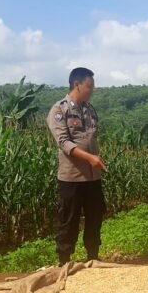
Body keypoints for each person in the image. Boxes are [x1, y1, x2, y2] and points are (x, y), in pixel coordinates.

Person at [47, 67, 107, 266]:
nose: (92, 90)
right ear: (77, 84)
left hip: (93, 176)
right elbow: (64, 143)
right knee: (69, 218)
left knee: (95, 217)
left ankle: (93, 257)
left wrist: (93, 159)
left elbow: (92, 136)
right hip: (71, 177)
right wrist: (89, 157)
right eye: (89, 86)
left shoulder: (90, 110)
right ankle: (65, 261)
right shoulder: (59, 110)